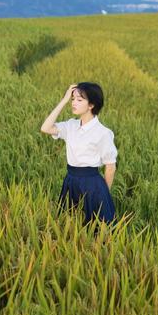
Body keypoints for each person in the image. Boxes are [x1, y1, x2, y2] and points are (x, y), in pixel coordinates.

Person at [40, 82, 118, 225]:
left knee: (95, 229)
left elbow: (110, 166)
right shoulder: (71, 125)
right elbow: (45, 128)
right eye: (73, 99)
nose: (74, 103)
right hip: (71, 181)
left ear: (91, 105)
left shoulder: (103, 133)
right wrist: (64, 100)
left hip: (92, 185)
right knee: (69, 224)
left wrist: (103, 194)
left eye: (79, 100)